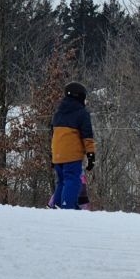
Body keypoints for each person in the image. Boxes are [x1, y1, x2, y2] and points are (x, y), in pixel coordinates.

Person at [51, 81, 96, 210]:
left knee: (61, 181)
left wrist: (52, 155)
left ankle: (57, 204)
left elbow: (53, 135)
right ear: (80, 96)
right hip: (71, 155)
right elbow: (87, 136)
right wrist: (91, 155)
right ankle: (67, 207)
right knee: (72, 180)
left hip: (57, 154)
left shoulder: (58, 113)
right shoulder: (82, 113)